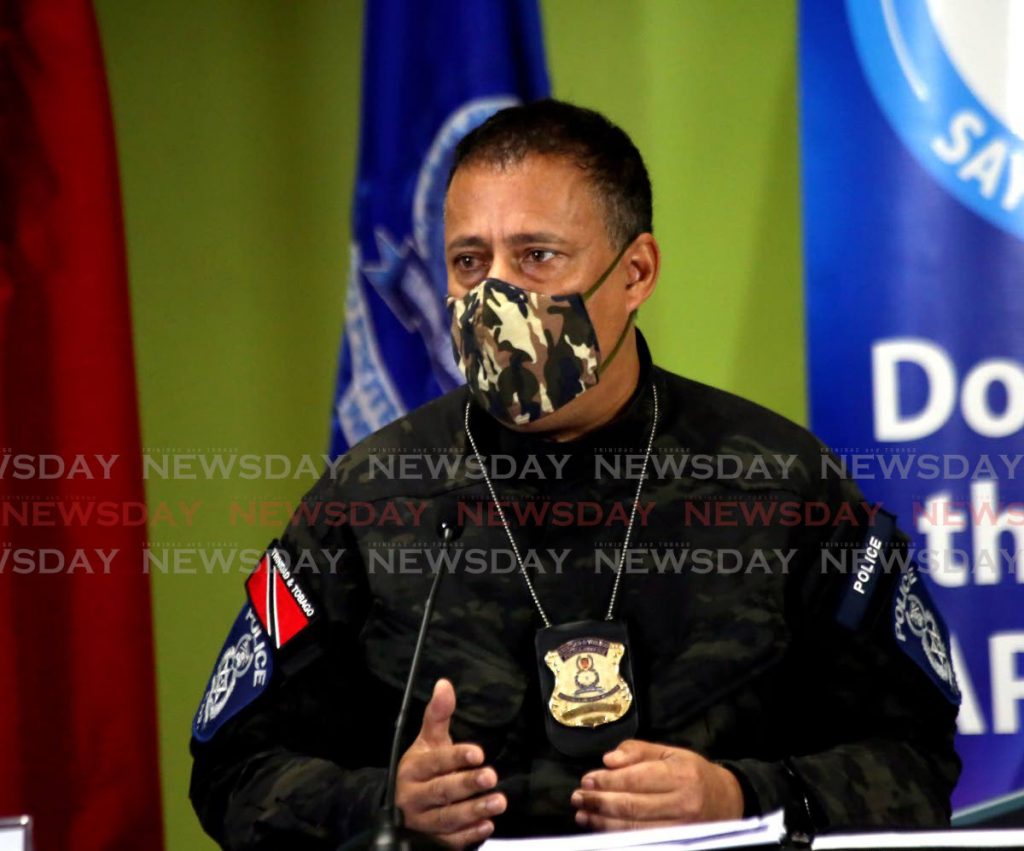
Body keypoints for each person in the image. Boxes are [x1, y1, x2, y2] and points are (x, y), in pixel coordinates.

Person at [189, 99, 961, 850]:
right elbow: (231, 771)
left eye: (537, 256)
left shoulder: (784, 484)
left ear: (636, 272)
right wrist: (383, 803)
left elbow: (917, 761)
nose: (496, 296)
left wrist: (740, 796)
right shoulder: (369, 499)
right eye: (469, 261)